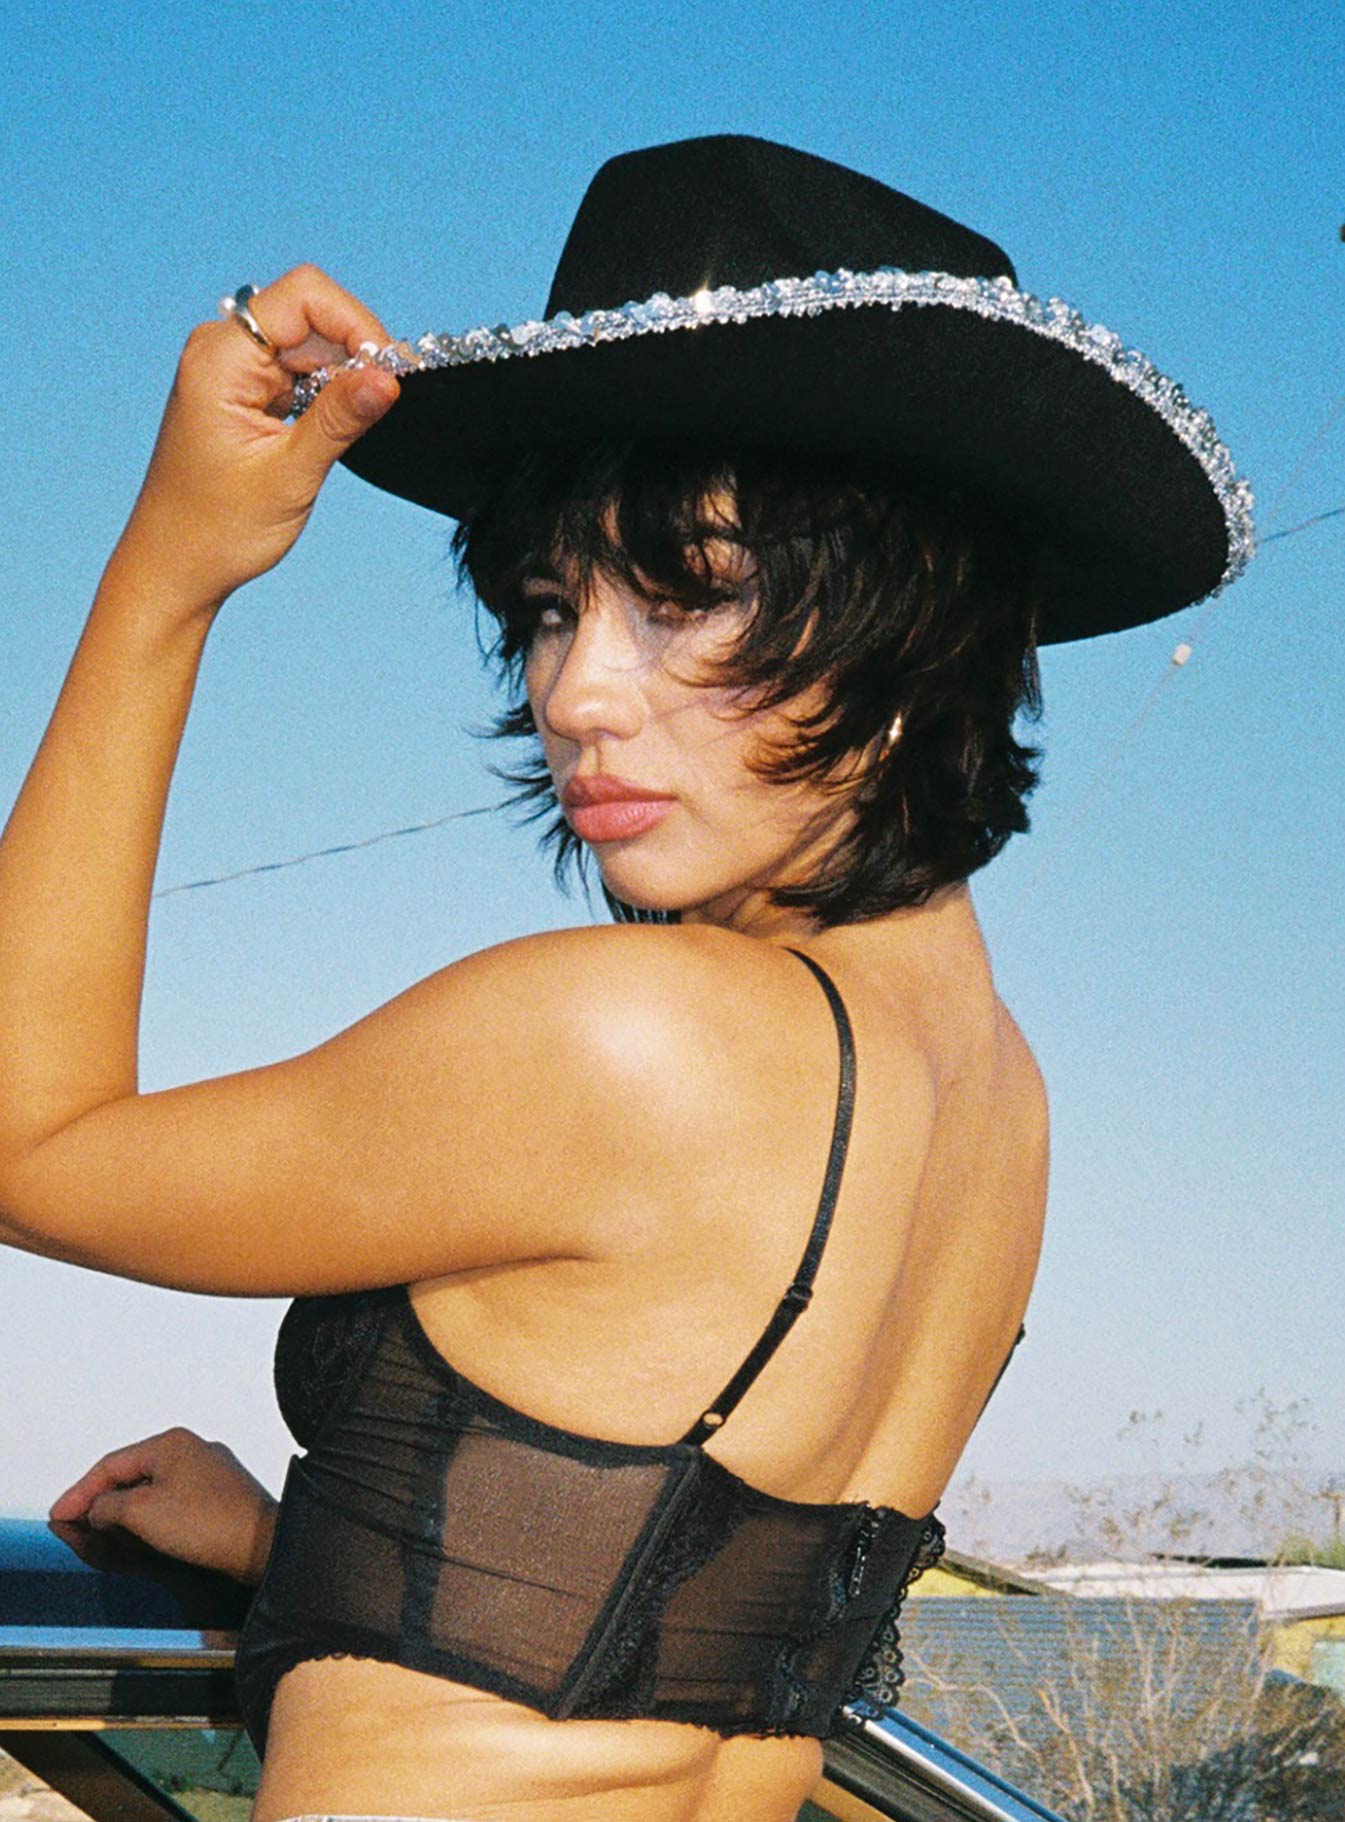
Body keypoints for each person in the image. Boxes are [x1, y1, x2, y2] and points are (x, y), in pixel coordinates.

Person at [4, 136, 1251, 1822]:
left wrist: (170, 567)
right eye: (546, 606)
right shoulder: (995, 1106)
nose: (576, 691)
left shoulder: (634, 1037)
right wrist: (305, 1549)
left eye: (687, 598)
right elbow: (670, 1641)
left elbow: (27, 1141)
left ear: (919, 630)